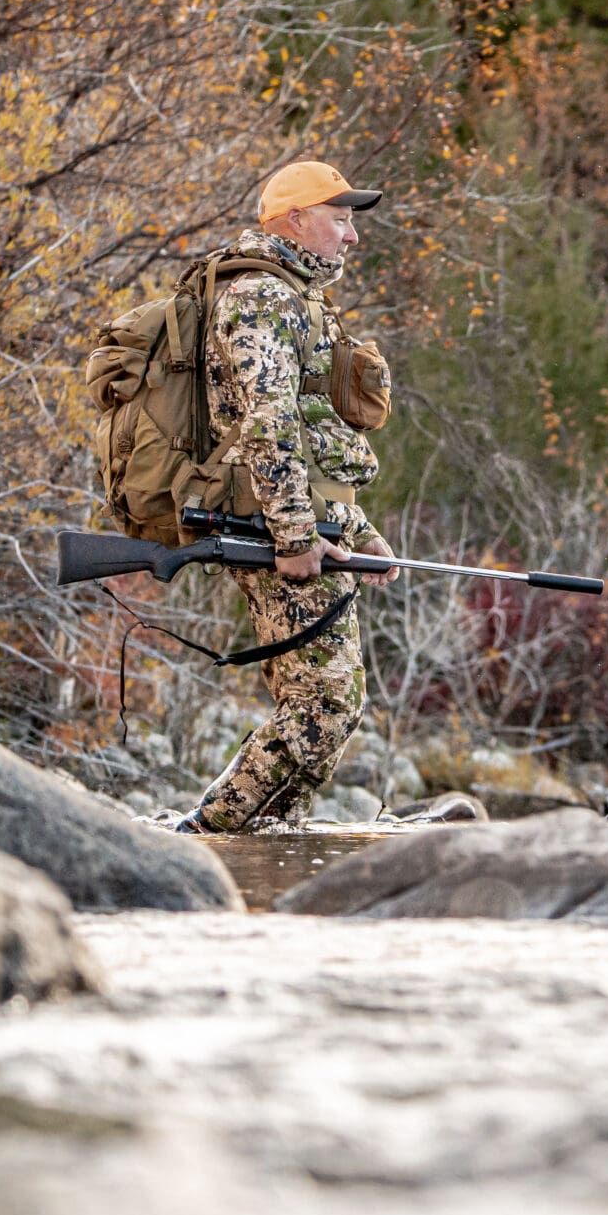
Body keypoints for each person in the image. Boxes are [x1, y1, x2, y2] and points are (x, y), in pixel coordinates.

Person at [174, 160, 399, 833]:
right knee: (325, 705)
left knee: (326, 707)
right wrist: (297, 537)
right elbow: (267, 424)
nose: (352, 236)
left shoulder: (295, 296)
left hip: (307, 525)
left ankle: (263, 843)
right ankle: (206, 836)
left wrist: (355, 528)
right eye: (340, 219)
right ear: (296, 220)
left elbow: (311, 431)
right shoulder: (262, 297)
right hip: (276, 531)